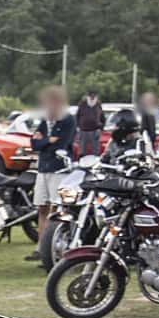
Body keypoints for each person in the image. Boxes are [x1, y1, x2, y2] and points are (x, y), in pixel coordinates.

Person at [26, 85, 76, 261]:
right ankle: (40, 246)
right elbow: (34, 143)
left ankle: (53, 247)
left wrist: (44, 141)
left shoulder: (68, 120)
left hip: (59, 169)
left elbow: (62, 144)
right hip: (43, 168)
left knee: (56, 208)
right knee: (42, 207)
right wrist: (47, 141)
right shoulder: (45, 121)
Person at [74, 91, 103, 159]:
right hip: (83, 130)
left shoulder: (98, 105)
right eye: (91, 97)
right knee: (82, 150)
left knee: (95, 150)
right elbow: (77, 116)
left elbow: (102, 118)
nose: (92, 98)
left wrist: (100, 128)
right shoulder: (82, 105)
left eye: (94, 97)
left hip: (95, 130)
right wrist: (78, 126)